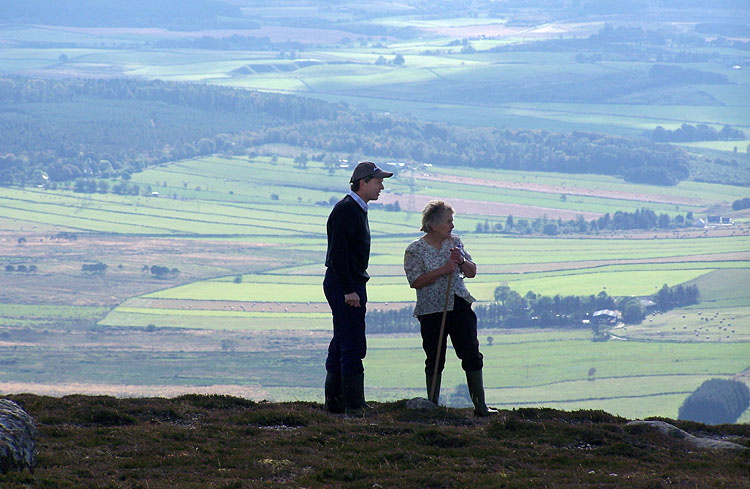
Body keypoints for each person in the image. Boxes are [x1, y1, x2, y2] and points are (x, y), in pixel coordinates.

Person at [403, 200, 498, 416]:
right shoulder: (415, 249)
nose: (452, 225)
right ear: (433, 224)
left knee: (471, 353)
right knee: (435, 357)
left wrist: (461, 261)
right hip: (430, 310)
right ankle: (432, 405)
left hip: (459, 304)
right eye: (449, 221)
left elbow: (472, 271)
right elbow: (415, 280)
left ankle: (480, 407)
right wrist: (443, 269)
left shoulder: (455, 243)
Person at [323, 161, 393, 415]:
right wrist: (348, 289)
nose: (382, 186)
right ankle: (353, 404)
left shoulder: (355, 208)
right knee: (352, 341)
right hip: (347, 285)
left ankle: (336, 403)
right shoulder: (347, 210)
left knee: (343, 339)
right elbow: (338, 254)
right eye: (378, 181)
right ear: (362, 182)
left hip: (349, 283)